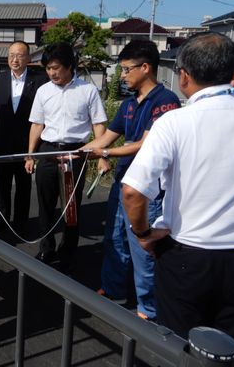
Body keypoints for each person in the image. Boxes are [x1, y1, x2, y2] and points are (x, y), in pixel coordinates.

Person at [121, 32, 234, 365]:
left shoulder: (174, 121)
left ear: (185, 75)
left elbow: (133, 191)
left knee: (180, 348)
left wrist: (143, 234)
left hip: (185, 255)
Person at [83, 40, 180, 320]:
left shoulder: (166, 102)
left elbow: (145, 144)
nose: (122, 75)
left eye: (126, 70)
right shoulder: (128, 103)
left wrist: (105, 152)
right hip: (123, 181)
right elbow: (107, 137)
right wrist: (80, 151)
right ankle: (114, 289)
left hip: (149, 189)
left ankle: (148, 307)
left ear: (145, 67)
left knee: (143, 247)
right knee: (114, 240)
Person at [25, 42, 107, 272]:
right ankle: (46, 248)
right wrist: (30, 155)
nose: (52, 73)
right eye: (48, 68)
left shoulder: (87, 90)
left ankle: (68, 250)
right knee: (45, 204)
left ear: (70, 65)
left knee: (71, 208)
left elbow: (98, 124)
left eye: (56, 68)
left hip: (75, 153)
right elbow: (36, 124)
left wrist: (101, 155)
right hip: (48, 151)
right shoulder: (44, 91)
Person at [0, 41, 47, 235]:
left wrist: (36, 148)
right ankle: (1, 218)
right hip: (2, 141)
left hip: (26, 143)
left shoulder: (40, 80)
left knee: (24, 185)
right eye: (11, 55)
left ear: (28, 58)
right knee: (2, 184)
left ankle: (21, 221)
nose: (15, 59)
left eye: (19, 55)